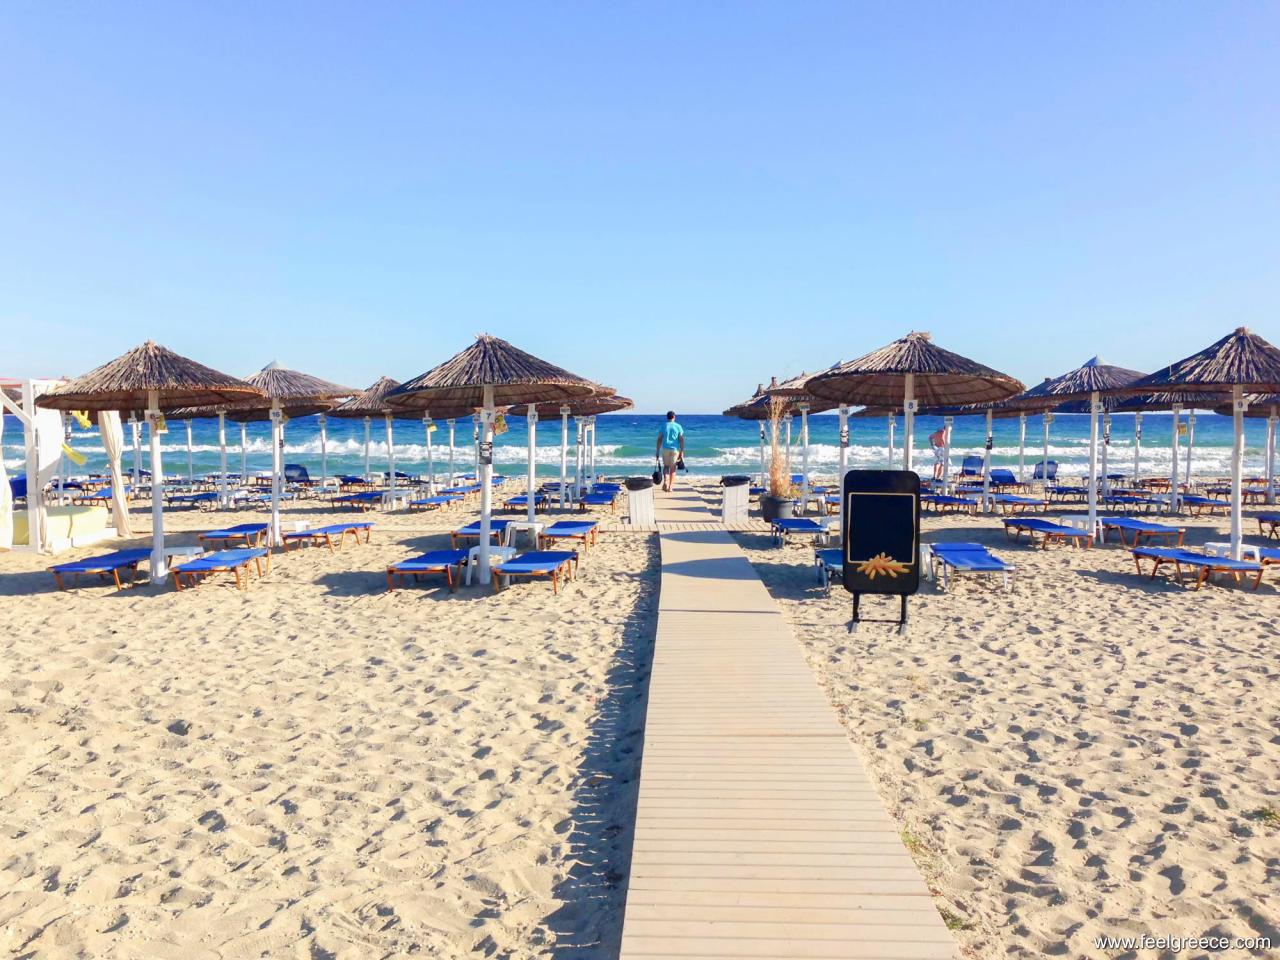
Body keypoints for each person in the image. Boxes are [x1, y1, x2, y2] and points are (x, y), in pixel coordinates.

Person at [655, 411, 685, 492]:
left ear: (667, 417)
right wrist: (682, 451)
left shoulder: (664, 426)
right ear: (674, 417)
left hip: (665, 449)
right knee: (673, 469)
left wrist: (657, 451)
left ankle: (665, 481)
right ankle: (670, 487)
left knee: (666, 467)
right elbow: (681, 439)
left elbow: (659, 439)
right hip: (675, 450)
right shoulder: (678, 426)